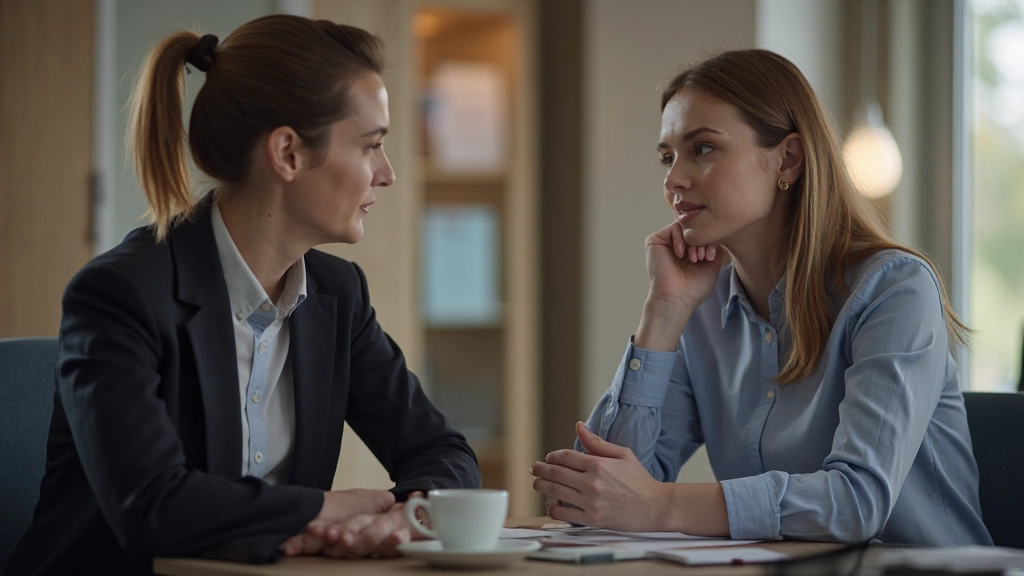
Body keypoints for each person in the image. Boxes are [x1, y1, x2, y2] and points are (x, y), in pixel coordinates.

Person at [5, 15, 480, 576]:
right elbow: (153, 507)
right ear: (287, 154)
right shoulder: (119, 295)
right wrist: (328, 507)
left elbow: (445, 454)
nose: (387, 173)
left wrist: (408, 514)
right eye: (371, 146)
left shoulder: (338, 296)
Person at [530, 49, 992, 546]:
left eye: (702, 149)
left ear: (787, 159)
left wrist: (660, 505)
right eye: (668, 156)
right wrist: (662, 314)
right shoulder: (699, 309)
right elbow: (596, 495)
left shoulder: (894, 290)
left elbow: (857, 502)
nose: (673, 179)